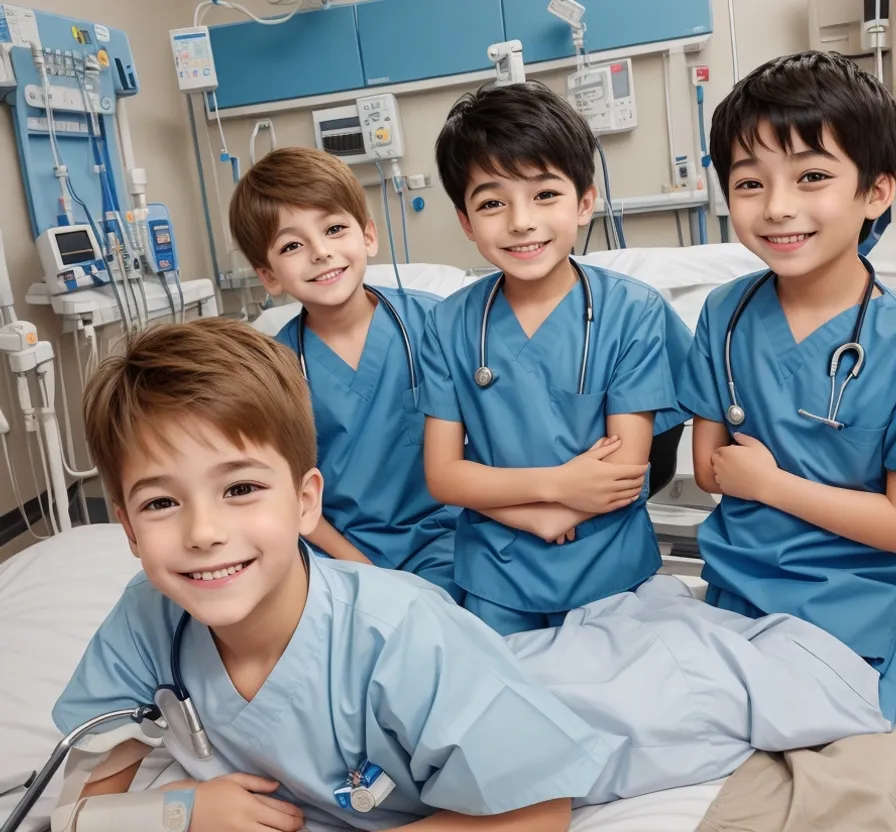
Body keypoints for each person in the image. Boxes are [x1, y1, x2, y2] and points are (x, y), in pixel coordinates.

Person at [48, 318, 889, 832]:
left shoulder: (396, 633)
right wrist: (179, 813)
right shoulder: (148, 617)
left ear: (307, 501)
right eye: (161, 504)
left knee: (680, 691)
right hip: (465, 694)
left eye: (240, 489)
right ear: (123, 528)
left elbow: (537, 810)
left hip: (551, 709)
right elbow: (79, 796)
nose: (203, 534)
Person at [419, 81, 693, 635]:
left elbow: (623, 473)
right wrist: (554, 495)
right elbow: (444, 477)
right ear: (467, 223)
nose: (521, 221)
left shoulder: (630, 312)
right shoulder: (448, 325)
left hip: (609, 569)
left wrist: (557, 509)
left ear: (585, 202)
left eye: (545, 194)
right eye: (493, 202)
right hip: (495, 574)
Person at [677, 51, 896, 720]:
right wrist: (740, 478)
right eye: (749, 184)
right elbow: (708, 471)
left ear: (877, 192)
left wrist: (771, 485)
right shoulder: (725, 312)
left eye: (813, 176)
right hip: (737, 596)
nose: (778, 207)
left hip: (860, 609)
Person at [228, 146, 463, 602]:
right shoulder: (274, 371)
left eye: (335, 229)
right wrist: (365, 573)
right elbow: (290, 499)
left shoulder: (436, 326)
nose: (321, 253)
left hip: (446, 539)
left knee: (450, 615)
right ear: (268, 275)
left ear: (368, 235)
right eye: (292, 245)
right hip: (334, 552)